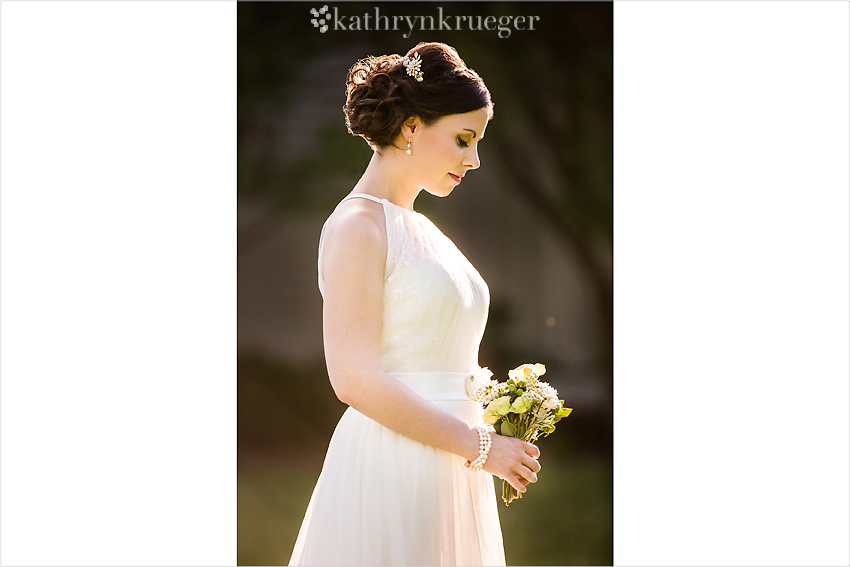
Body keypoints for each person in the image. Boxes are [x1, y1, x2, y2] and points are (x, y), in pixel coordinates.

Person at [288, 42, 541, 567]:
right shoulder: (358, 226)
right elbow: (353, 378)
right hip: (395, 463)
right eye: (463, 139)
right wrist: (482, 448)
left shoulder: (419, 228)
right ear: (409, 128)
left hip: (455, 464)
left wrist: (508, 412)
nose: (474, 160)